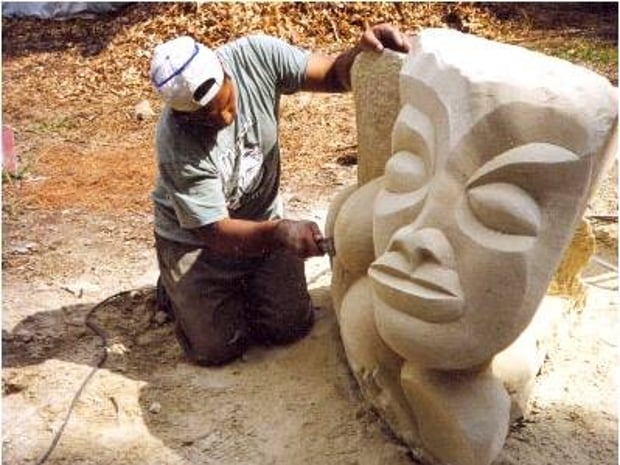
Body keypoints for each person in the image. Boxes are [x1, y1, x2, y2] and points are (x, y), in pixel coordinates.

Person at [150, 24, 412, 366]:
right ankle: (176, 288)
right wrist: (280, 232)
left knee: (290, 327)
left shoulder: (256, 57)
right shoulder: (175, 142)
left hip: (260, 219)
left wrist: (362, 54)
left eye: (225, 102)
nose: (224, 118)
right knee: (217, 349)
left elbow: (333, 74)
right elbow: (215, 232)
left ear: (226, 71)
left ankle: (239, 288)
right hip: (197, 241)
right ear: (181, 115)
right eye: (205, 119)